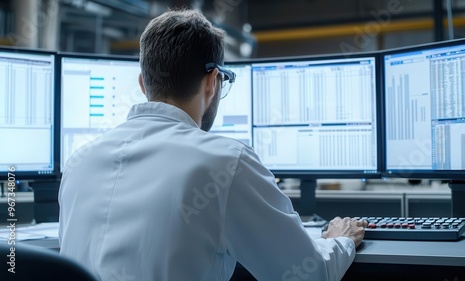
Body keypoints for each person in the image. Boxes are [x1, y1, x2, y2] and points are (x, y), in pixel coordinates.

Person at [58, 8, 367, 281]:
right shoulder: (226, 162)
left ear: (143, 83)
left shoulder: (78, 161)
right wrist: (340, 240)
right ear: (212, 81)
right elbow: (308, 274)